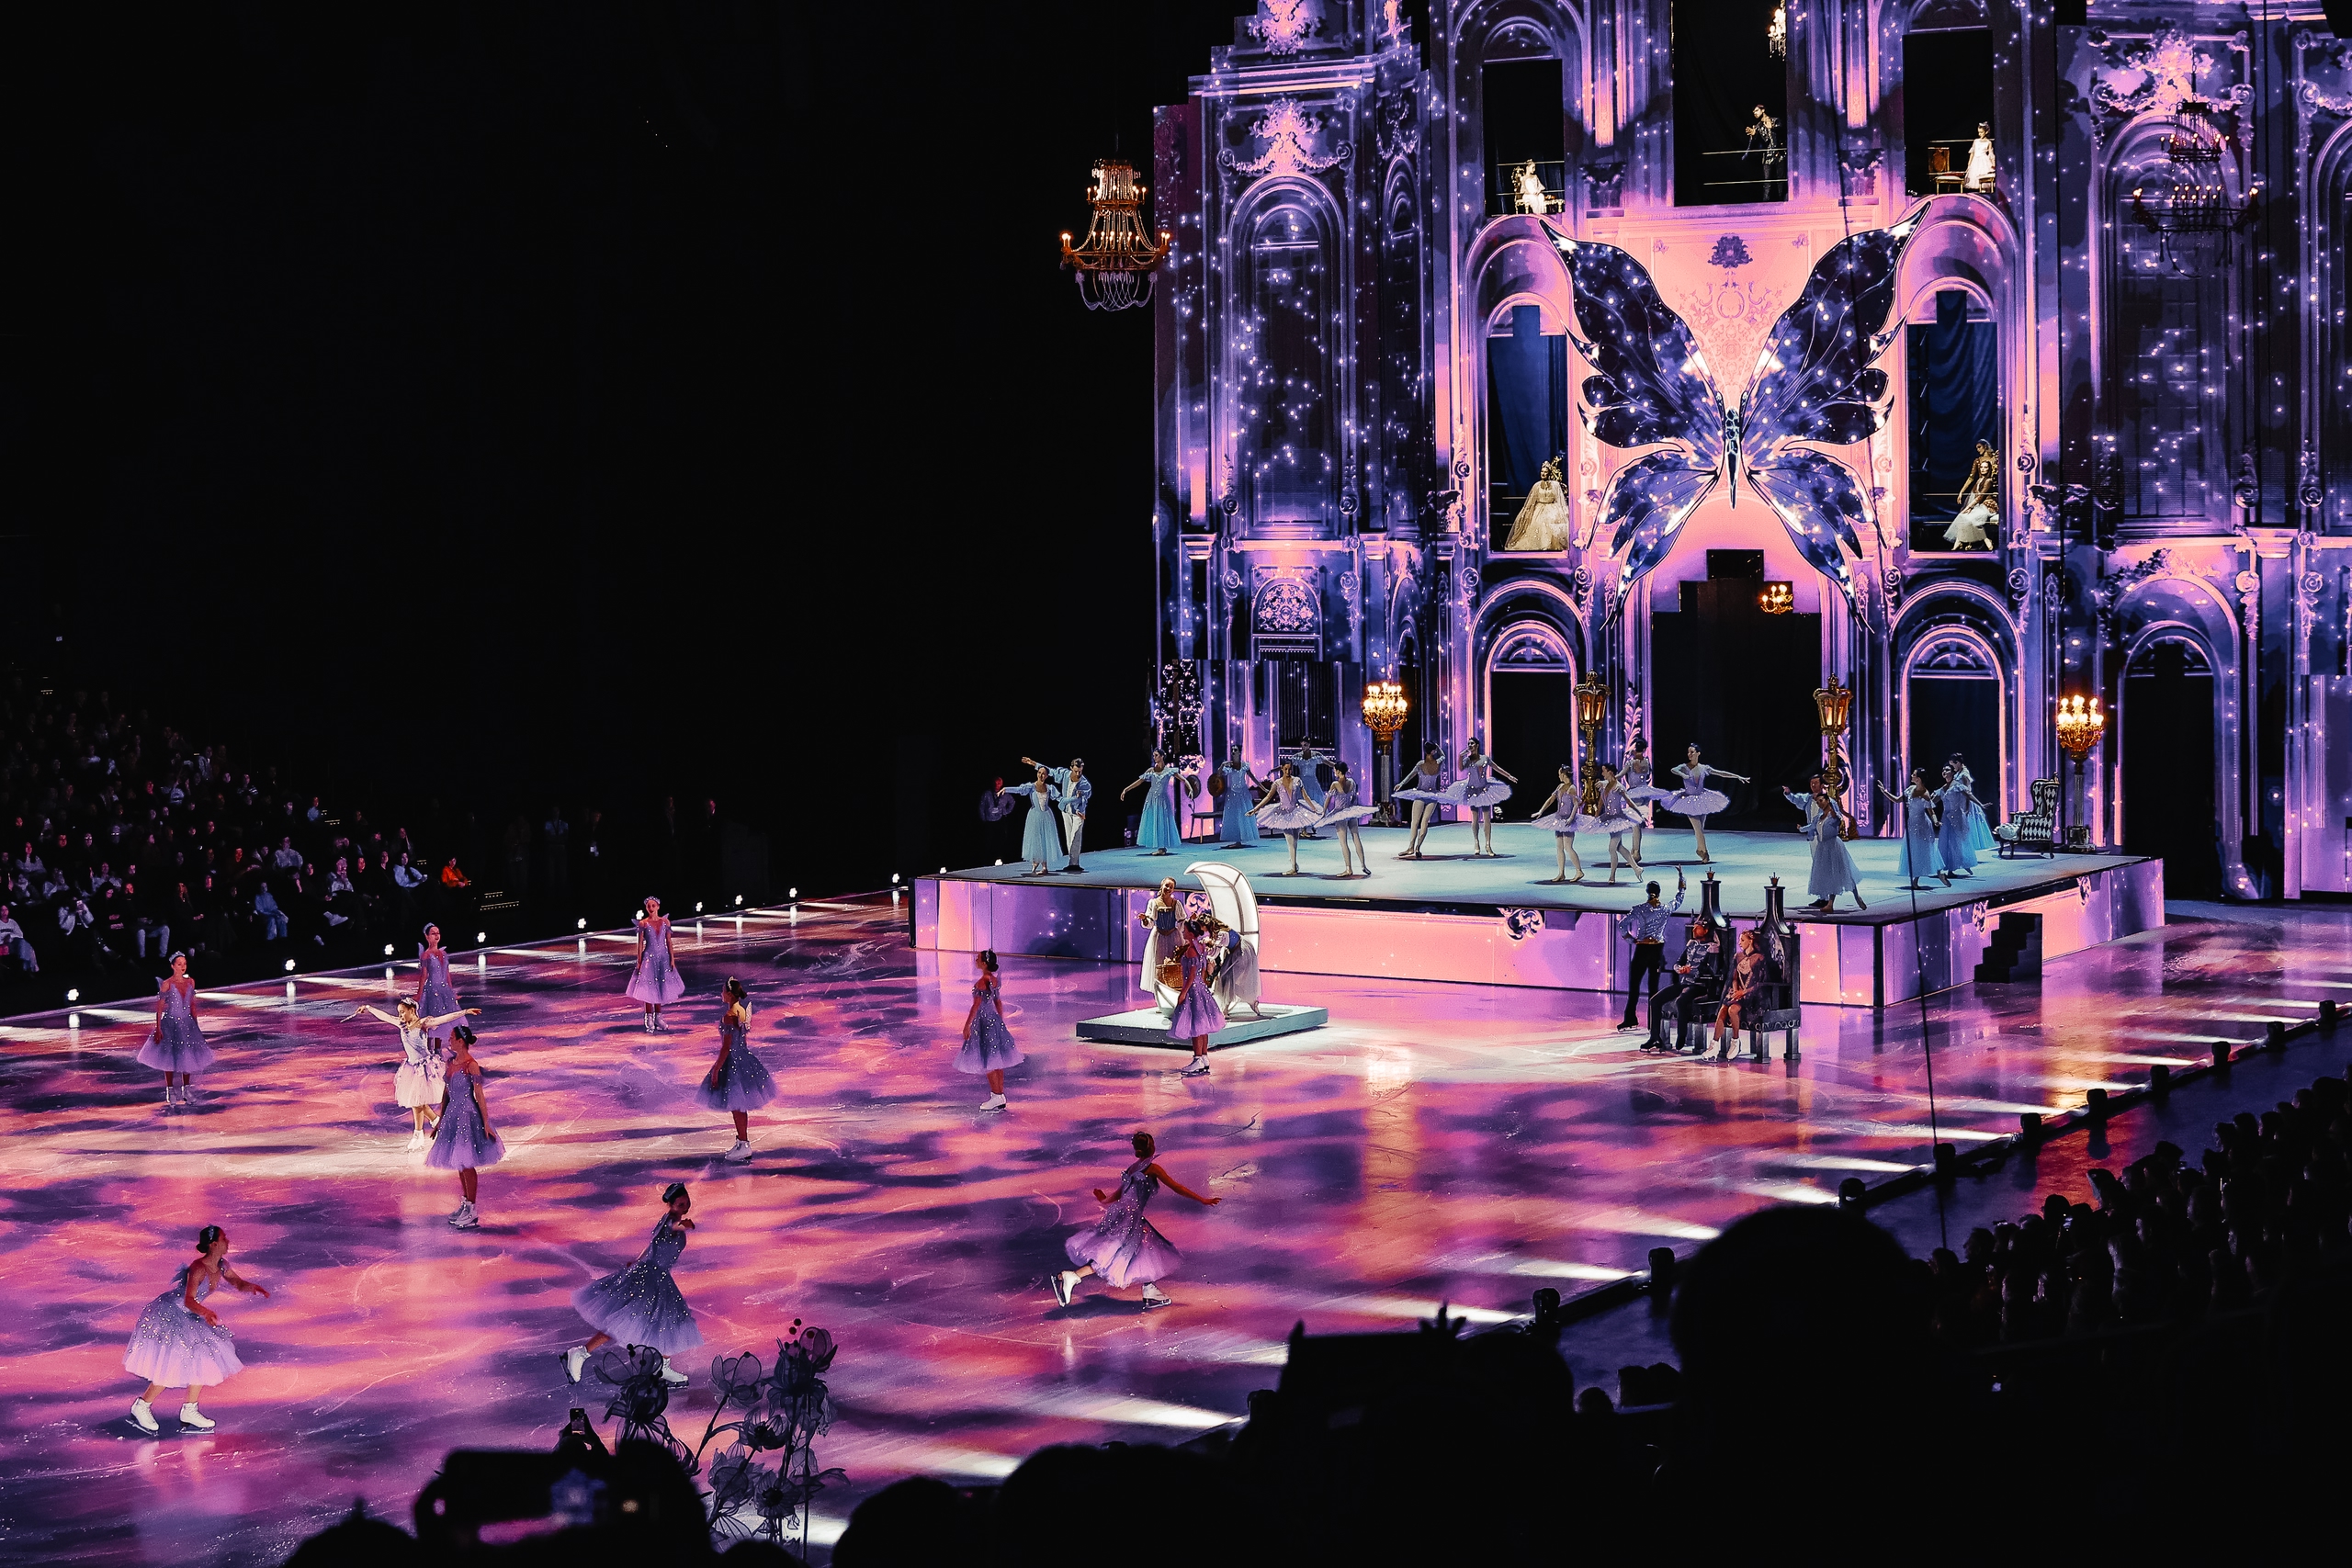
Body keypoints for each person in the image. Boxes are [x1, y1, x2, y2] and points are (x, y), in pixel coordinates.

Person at [1051, 1130, 1220, 1312]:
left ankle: (1150, 1290)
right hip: (1130, 1217)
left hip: (1120, 1213)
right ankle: (1073, 1276)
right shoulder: (1152, 1168)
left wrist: (1103, 1200)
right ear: (1151, 1147)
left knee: (1144, 1247)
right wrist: (1202, 1199)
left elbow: (1119, 1195)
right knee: (1116, 1254)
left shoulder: (1132, 1168)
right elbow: (1176, 1187)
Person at [125, 1224, 268, 1434]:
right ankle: (142, 1405)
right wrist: (206, 1312)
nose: (227, 1241)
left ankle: (189, 1410)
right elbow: (189, 1300)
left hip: (191, 1315)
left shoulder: (222, 1265)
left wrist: (252, 1287)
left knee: (201, 1357)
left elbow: (237, 1283)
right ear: (214, 1244)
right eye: (224, 1238)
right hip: (171, 1314)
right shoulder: (198, 1268)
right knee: (173, 1361)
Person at [563, 1183, 703, 1388]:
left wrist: (637, 1260)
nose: (685, 1207)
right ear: (671, 1205)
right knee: (627, 1319)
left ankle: (663, 1366)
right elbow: (675, 1227)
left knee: (667, 1321)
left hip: (657, 1276)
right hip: (651, 1278)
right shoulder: (672, 1221)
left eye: (687, 1202)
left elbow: (652, 1244)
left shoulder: (666, 1219)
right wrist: (685, 1225)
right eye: (680, 1204)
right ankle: (581, 1353)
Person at [353, 998, 478, 1147]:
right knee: (417, 1101)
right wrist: (368, 1007)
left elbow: (443, 1019)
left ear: (411, 1010)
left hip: (425, 1068)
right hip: (411, 1068)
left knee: (416, 1102)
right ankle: (434, 1121)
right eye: (399, 1013)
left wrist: (465, 1012)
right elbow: (385, 1016)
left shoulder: (423, 1024)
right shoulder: (401, 1024)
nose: (400, 1016)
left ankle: (418, 1134)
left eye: (402, 1012)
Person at [426, 1025, 503, 1230]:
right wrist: (441, 1120)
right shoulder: (450, 1063)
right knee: (460, 1163)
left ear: (461, 1041)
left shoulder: (471, 1065)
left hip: (467, 1117)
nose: (449, 1040)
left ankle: (472, 1209)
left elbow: (479, 1096)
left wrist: (486, 1123)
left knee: (467, 1163)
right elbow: (446, 1093)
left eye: (452, 1037)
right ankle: (466, 1204)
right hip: (452, 1117)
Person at [695, 976, 775, 1159]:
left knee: (737, 1105)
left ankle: (744, 1144)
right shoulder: (741, 1010)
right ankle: (741, 1142)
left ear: (730, 994)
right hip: (743, 1057)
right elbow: (743, 1040)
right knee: (739, 1105)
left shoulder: (729, 1015)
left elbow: (726, 1047)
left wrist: (716, 1070)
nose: (721, 994)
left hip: (732, 1060)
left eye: (723, 991)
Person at [138, 952, 216, 1111]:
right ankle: (170, 1090)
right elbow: (159, 1008)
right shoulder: (167, 984)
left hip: (187, 1024)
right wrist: (158, 1028)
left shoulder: (191, 982)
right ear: (172, 966)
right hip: (170, 1024)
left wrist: (196, 1026)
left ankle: (186, 1090)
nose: (182, 967)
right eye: (179, 964)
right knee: (169, 1056)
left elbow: (192, 1005)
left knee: (187, 1056)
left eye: (184, 964)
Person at [1617, 870, 1688, 1031]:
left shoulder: (1640, 909)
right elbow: (1679, 899)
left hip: (1642, 949)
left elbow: (1622, 925)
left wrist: (1631, 939)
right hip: (1656, 950)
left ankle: (1630, 1019)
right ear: (1659, 892)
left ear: (1647, 892)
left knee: (1634, 986)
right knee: (1653, 988)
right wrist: (1681, 880)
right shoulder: (1665, 908)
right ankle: (1653, 1023)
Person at [955, 951, 1023, 1111]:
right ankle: (999, 1095)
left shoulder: (981, 982)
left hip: (984, 1022)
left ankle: (996, 1096)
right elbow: (998, 1002)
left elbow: (975, 1006)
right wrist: (1000, 1020)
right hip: (994, 1020)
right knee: (996, 1059)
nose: (975, 960)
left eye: (978, 958)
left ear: (984, 963)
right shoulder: (994, 980)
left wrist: (967, 1025)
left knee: (989, 1059)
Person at [1784, 778, 1866, 912]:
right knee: (1824, 871)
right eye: (1818, 802)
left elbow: (1839, 818)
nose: (1819, 804)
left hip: (1833, 846)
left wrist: (1835, 815)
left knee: (1841, 871)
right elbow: (1810, 824)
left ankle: (1856, 896)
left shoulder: (1832, 812)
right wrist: (1801, 828)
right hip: (1821, 844)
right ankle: (1826, 900)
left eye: (1821, 801)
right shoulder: (1813, 807)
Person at [1643, 918, 1722, 1053]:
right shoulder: (1691, 944)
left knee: (1682, 1000)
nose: (1694, 930)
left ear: (1705, 930)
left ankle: (1682, 1035)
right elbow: (1678, 962)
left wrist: (1693, 971)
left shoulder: (1712, 947)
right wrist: (1680, 969)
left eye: (1697, 928)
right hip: (1684, 982)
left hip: (1700, 986)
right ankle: (1655, 1037)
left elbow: (1713, 970)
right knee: (1655, 1000)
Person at [1661, 745, 1748, 863]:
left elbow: (1721, 773)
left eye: (1692, 752)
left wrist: (1737, 776)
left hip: (1702, 799)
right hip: (1689, 801)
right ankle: (1705, 854)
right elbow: (1673, 769)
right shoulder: (1684, 767)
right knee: (1698, 828)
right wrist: (1683, 775)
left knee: (1700, 829)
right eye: (1688, 752)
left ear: (1698, 753)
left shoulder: (1704, 768)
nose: (1689, 754)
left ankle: (1699, 849)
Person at [1165, 920, 1226, 1077]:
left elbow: (1192, 975)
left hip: (1193, 990)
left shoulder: (1192, 950)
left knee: (1196, 1026)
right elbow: (1203, 970)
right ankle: (1204, 1057)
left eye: (1185, 930)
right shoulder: (1201, 947)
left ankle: (1198, 1058)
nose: (1183, 932)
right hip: (1201, 988)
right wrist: (1203, 986)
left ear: (1191, 934)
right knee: (1203, 1026)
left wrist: (1183, 992)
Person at [1015, 756, 1091, 873]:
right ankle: (1072, 863)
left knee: (1075, 836)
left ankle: (1074, 864)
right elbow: (1049, 771)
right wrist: (1033, 763)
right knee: (1069, 838)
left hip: (1078, 812)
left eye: (1080, 771)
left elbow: (1084, 798)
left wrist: (1080, 810)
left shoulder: (1084, 783)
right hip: (1066, 810)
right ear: (1071, 768)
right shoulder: (1065, 774)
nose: (1078, 773)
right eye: (1076, 771)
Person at [1877, 771, 1947, 891]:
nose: (1911, 776)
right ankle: (1937, 874)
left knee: (1924, 850)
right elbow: (1897, 800)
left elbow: (1931, 812)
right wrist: (1884, 791)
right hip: (1911, 825)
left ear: (1919, 779)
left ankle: (1921, 878)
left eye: (1914, 775)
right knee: (1914, 851)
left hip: (1922, 825)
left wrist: (1936, 822)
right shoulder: (1910, 789)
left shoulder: (1925, 794)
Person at [1249, 761, 1320, 875]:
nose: (1288, 771)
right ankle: (1293, 867)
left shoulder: (1297, 780)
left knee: (1295, 840)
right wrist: (1255, 809)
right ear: (1282, 768)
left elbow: (1305, 796)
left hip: (1297, 811)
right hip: (1283, 814)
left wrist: (1314, 809)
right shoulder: (1277, 783)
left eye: (1290, 769)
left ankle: (1294, 863)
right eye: (1286, 769)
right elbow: (1268, 797)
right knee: (1290, 840)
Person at [627, 896, 687, 1031]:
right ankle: (648, 1017)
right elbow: (640, 944)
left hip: (663, 958)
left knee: (660, 985)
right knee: (649, 987)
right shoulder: (643, 923)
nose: (651, 908)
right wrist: (639, 961)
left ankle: (658, 1017)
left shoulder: (665, 922)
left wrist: (672, 959)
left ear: (658, 907)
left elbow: (669, 942)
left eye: (653, 906)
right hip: (649, 958)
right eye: (648, 906)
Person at [1453, 739, 1516, 858]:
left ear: (1477, 745)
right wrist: (1460, 756)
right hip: (1472, 791)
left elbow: (1497, 768)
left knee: (1487, 818)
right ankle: (1476, 842)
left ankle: (1488, 845)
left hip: (1484, 791)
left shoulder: (1485, 758)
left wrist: (1509, 776)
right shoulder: (1468, 760)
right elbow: (1460, 768)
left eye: (1472, 743)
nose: (1470, 745)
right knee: (1475, 818)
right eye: (1468, 744)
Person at [1525, 765, 1589, 884]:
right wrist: (1541, 811)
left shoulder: (1572, 788)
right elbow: (1551, 799)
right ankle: (1561, 873)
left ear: (1563, 775)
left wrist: (1571, 818)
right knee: (1559, 847)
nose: (1558, 776)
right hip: (1559, 820)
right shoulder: (1560, 786)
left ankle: (1579, 871)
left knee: (1568, 847)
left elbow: (1576, 804)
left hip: (1568, 820)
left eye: (1559, 774)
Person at [1711, 930, 1769, 1058]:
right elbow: (1734, 978)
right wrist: (1736, 991)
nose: (1739, 943)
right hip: (1738, 993)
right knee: (1723, 1009)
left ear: (1750, 941)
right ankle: (1714, 1044)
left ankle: (1735, 1041)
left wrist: (1744, 992)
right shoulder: (1738, 956)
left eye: (1742, 940)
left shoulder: (1759, 958)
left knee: (1732, 1010)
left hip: (1753, 995)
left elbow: (1761, 982)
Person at [1122, 752, 1192, 856]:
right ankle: (1160, 847)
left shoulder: (1169, 771)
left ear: (1162, 756)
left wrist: (1190, 789)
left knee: (1162, 820)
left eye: (1156, 755)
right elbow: (1139, 781)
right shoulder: (1151, 770)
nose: (1154, 757)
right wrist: (1126, 789)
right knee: (1153, 820)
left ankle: (1162, 848)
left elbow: (1183, 779)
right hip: (1151, 799)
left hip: (1162, 799)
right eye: (1154, 756)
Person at [1000, 767, 1066, 876]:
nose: (1041, 775)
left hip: (1046, 816)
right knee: (1036, 839)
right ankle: (1035, 863)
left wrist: (1071, 803)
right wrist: (1006, 789)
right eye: (1039, 772)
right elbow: (1019, 790)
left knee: (1045, 839)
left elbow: (1060, 798)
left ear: (1047, 776)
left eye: (1043, 774)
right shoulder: (1031, 787)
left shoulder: (1049, 788)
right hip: (1035, 816)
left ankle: (1044, 867)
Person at [1315, 761, 1376, 877]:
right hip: (1350, 812)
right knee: (1356, 838)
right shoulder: (1351, 782)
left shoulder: (1335, 784)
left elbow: (1328, 800)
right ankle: (1363, 865)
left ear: (1338, 771)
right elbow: (1354, 799)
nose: (1334, 772)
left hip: (1340, 814)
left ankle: (1348, 869)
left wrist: (1323, 813)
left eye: (1335, 770)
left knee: (1343, 843)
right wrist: (1352, 808)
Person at [1501, 456, 1573, 550]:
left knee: (1552, 521)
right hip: (1539, 509)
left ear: (1549, 473)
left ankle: (1550, 544)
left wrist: (1563, 511)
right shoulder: (1537, 485)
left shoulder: (1555, 485)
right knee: (1537, 523)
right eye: (1542, 472)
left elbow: (1559, 499)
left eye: (1545, 472)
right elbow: (1531, 501)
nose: (1543, 474)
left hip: (1552, 508)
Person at [415, 924, 468, 1049]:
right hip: (433, 991)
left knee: (449, 1018)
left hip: (445, 991)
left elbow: (447, 973)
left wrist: (451, 991)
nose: (436, 935)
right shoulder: (426, 955)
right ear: (427, 937)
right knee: (435, 1021)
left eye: (438, 933)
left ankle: (445, 1048)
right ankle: (432, 1050)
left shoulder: (443, 953)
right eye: (433, 933)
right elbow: (423, 976)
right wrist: (419, 994)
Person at [1135, 875, 1183, 1008]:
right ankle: (1160, 1001)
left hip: (1173, 936)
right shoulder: (1153, 903)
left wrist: (1188, 922)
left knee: (1174, 965)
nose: (1168, 888)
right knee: (1158, 965)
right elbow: (1150, 922)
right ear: (1162, 886)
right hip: (1159, 937)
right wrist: (1144, 919)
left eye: (1171, 887)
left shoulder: (1176, 904)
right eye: (1167, 885)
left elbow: (1181, 921)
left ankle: (1175, 998)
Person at [1396, 744, 1450, 859]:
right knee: (1423, 821)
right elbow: (1443, 755)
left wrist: (1401, 784)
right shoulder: (1437, 762)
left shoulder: (1421, 764)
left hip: (1424, 794)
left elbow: (1410, 775)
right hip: (1429, 794)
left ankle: (1413, 847)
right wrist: (1438, 747)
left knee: (1416, 822)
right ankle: (1416, 848)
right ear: (1433, 751)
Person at [1594, 764, 1645, 883]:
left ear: (1610, 772)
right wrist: (1596, 815)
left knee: (1612, 848)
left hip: (1618, 820)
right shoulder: (1604, 785)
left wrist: (1639, 812)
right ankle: (1637, 869)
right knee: (1619, 847)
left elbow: (1629, 802)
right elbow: (1601, 802)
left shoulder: (1619, 787)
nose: (1602, 773)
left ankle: (1612, 876)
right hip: (1608, 818)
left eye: (1604, 771)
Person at [1935, 762, 1979, 879]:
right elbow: (1932, 801)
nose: (1944, 772)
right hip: (1946, 818)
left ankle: (1959, 864)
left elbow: (1969, 795)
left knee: (1957, 841)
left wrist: (1981, 804)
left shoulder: (1957, 786)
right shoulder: (1942, 789)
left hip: (1957, 816)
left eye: (1947, 770)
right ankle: (1947, 867)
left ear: (1953, 772)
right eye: (1943, 770)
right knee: (1945, 842)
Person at [1216, 745, 1261, 849]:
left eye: (1235, 750)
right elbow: (1219, 774)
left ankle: (1240, 839)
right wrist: (1222, 765)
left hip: (1243, 793)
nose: (1233, 752)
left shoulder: (1244, 765)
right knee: (1234, 816)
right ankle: (1237, 840)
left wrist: (1263, 788)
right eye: (1232, 750)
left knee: (1243, 815)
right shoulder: (1229, 766)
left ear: (1239, 752)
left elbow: (1253, 778)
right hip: (1233, 793)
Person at [1951, 755, 1996, 852]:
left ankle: (1968, 847)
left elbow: (1968, 791)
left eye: (1953, 764)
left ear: (1958, 763)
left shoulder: (1964, 774)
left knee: (1968, 825)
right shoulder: (1958, 773)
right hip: (1959, 801)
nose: (1953, 767)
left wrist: (1967, 808)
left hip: (1966, 802)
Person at [1964, 120, 1995, 192]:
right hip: (1975, 161)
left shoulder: (1988, 142)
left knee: (1985, 180)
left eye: (1981, 132)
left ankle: (1986, 193)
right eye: (1979, 132)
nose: (1979, 134)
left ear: (1986, 132)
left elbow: (1991, 154)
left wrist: (1993, 164)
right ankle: (1981, 193)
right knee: (1975, 179)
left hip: (1984, 161)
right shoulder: (1976, 141)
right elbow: (1972, 153)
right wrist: (1969, 164)